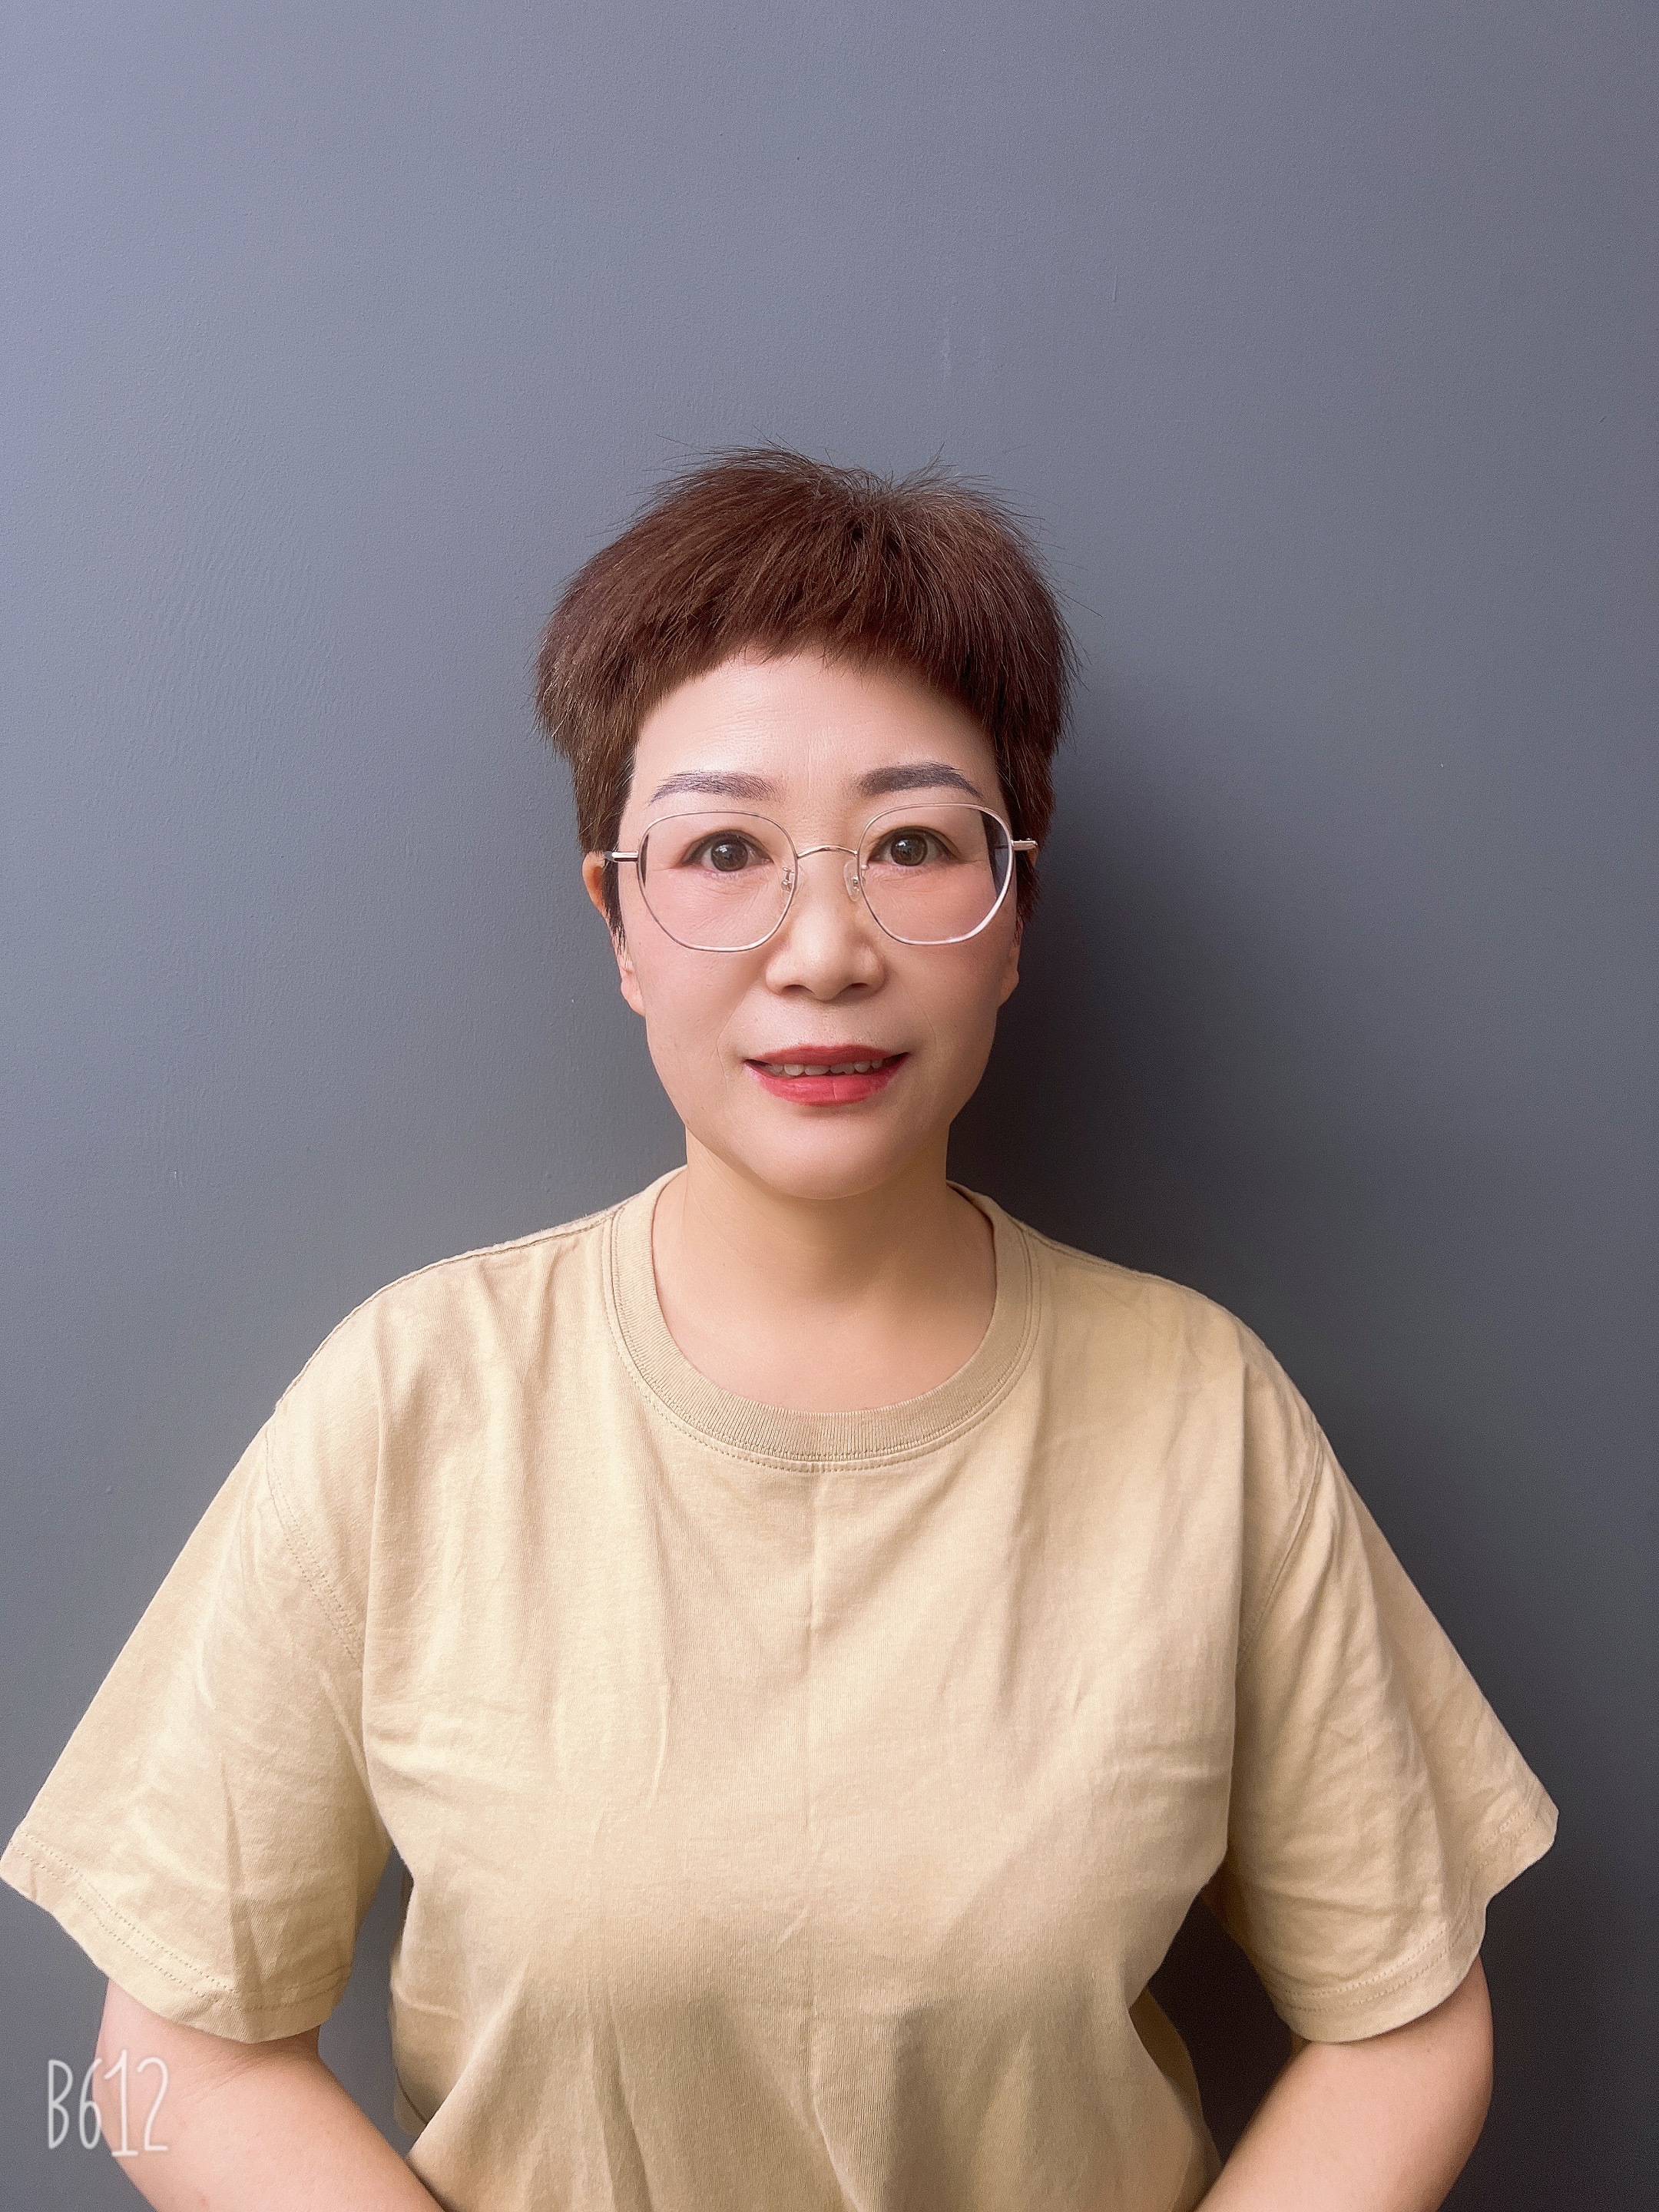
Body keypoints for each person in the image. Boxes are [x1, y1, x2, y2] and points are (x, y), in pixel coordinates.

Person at [2, 449, 1555, 2212]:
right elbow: (171, 2056)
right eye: (725, 851)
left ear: (1014, 920)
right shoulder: (414, 1399)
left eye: (914, 845)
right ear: (619, 925)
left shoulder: (1205, 1414)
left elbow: (1407, 2024)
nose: (824, 949)